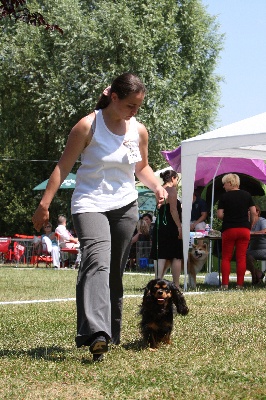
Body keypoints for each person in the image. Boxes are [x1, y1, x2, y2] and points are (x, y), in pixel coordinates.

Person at [32, 72, 167, 362]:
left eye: (138, 107)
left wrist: (156, 186)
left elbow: (141, 168)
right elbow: (62, 167)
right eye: (130, 105)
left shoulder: (138, 130)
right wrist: (44, 204)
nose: (134, 112)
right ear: (114, 98)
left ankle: (111, 333)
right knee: (97, 262)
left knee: (115, 272)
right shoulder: (87, 126)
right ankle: (96, 334)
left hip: (125, 205)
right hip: (90, 203)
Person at [217, 173, 256, 289]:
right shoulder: (247, 195)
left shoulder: (224, 197)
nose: (224, 186)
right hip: (244, 229)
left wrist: (229, 217)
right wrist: (251, 225)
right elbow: (253, 212)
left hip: (229, 229)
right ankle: (240, 284)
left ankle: (225, 284)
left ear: (230, 183)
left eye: (224, 184)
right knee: (241, 257)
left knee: (226, 257)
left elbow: (219, 215)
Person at [150, 169, 183, 288]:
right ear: (173, 178)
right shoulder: (171, 190)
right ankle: (176, 284)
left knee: (161, 255)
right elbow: (173, 210)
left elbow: (160, 206)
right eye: (177, 179)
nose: (177, 182)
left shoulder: (158, 190)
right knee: (176, 256)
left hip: (160, 226)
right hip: (171, 226)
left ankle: (157, 281)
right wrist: (179, 227)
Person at [246, 205, 266, 284]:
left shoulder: (262, 220)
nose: (248, 212)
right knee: (238, 255)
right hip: (252, 249)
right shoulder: (247, 222)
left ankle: (255, 276)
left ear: (257, 212)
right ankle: (257, 273)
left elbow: (265, 231)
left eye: (250, 210)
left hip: (263, 249)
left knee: (243, 255)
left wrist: (253, 233)